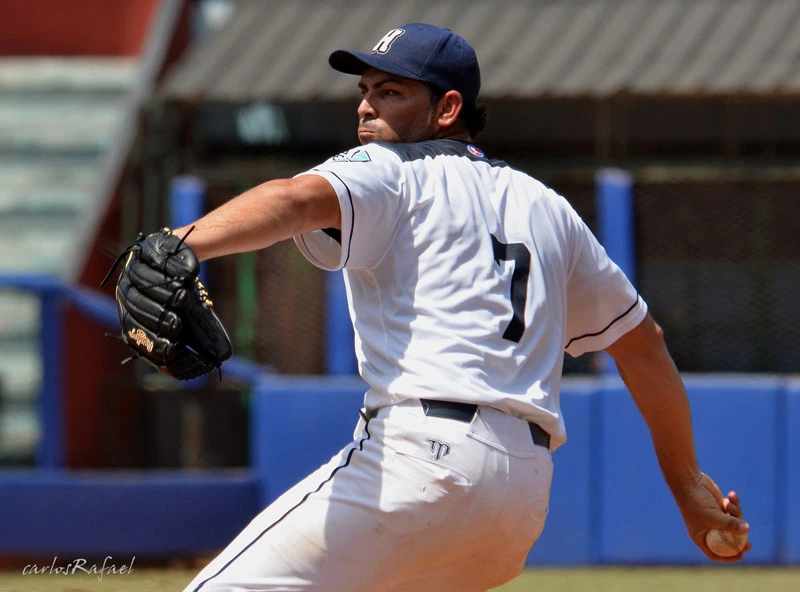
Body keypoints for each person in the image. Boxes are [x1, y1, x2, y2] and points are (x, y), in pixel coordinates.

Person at [179, 23, 750, 592]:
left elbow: (291, 200)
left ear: (448, 107)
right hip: (520, 500)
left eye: (391, 92)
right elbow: (644, 346)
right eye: (365, 91)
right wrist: (687, 490)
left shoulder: (389, 168)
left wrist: (176, 244)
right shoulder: (548, 206)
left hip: (421, 462)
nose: (366, 109)